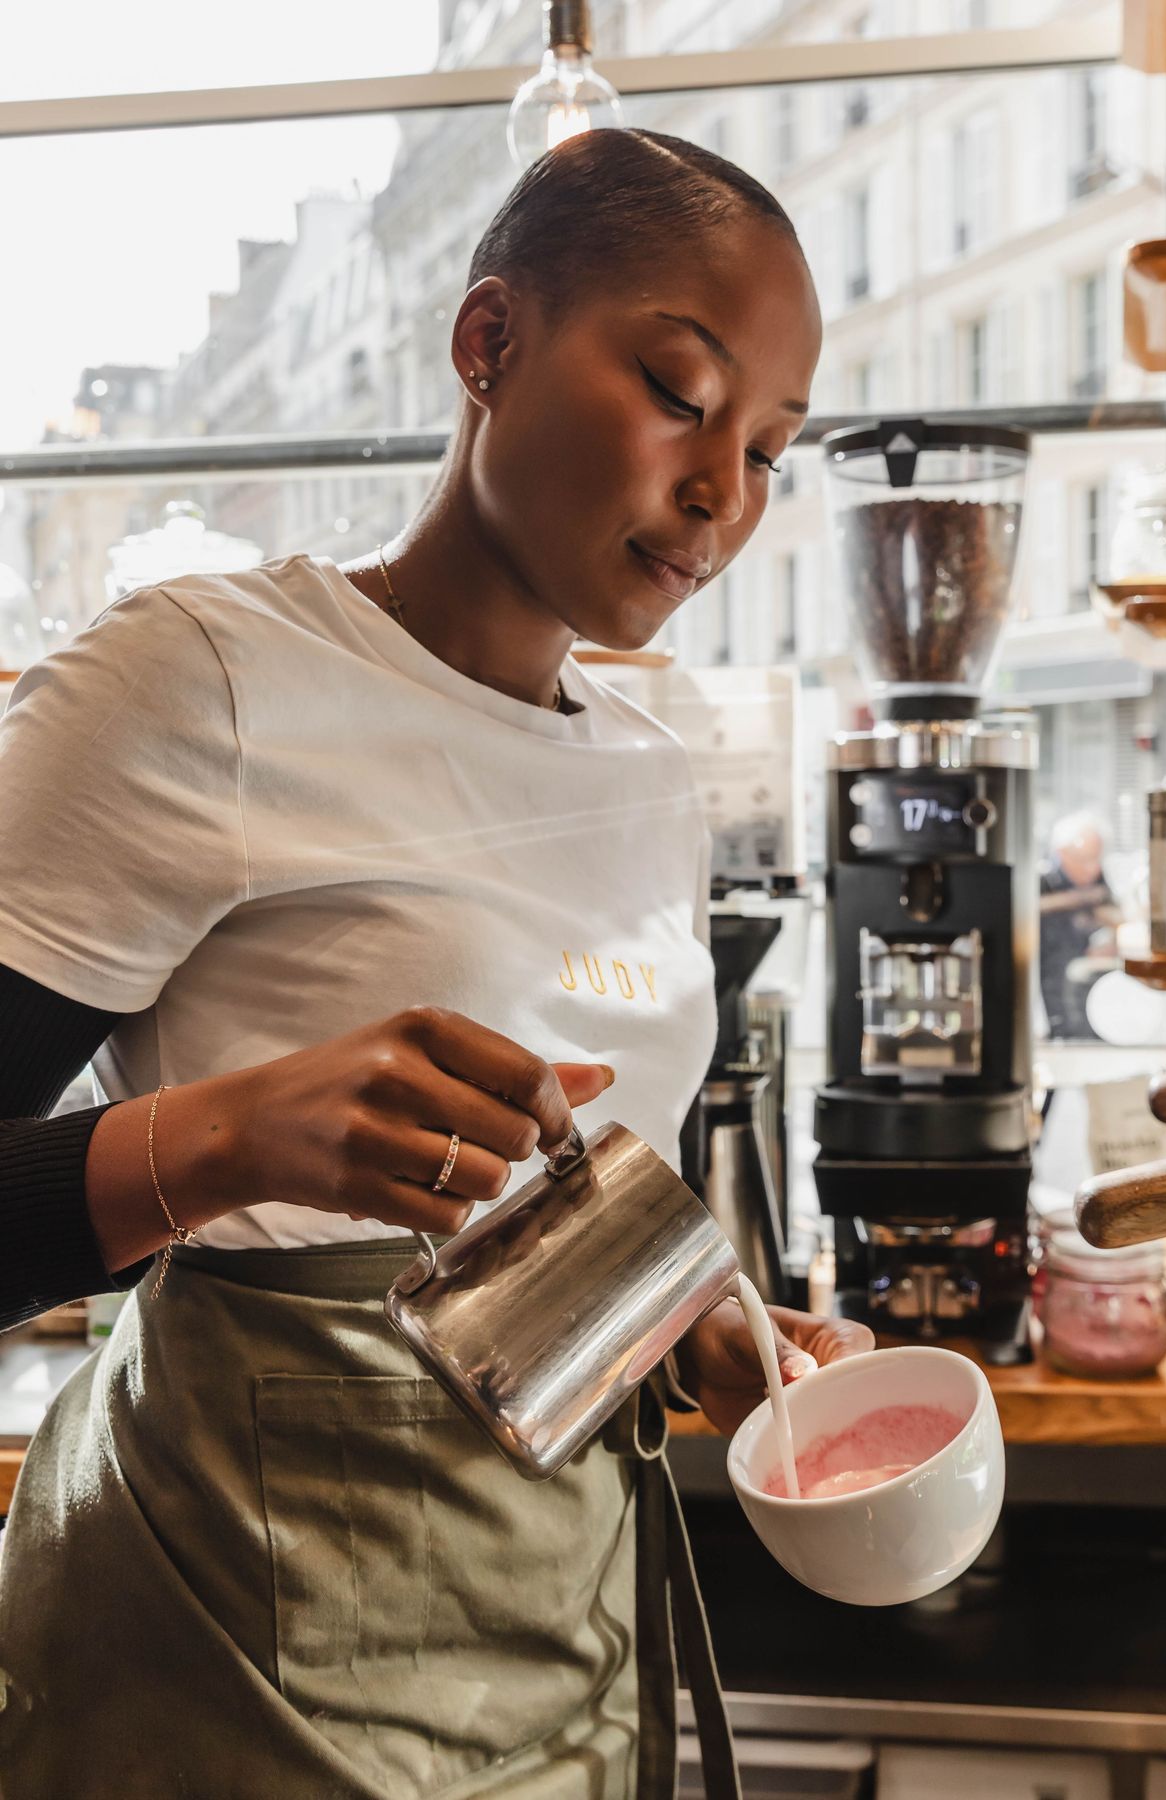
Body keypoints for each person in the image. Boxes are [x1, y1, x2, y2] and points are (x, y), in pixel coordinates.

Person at [0, 129, 870, 1798]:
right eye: (683, 398)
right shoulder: (197, 684)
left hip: (560, 1645)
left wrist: (696, 1323)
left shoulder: (646, 770)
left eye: (769, 449)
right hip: (231, 1670)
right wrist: (233, 1137)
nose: (724, 494)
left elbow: (563, 1198)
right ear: (490, 343)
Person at [1037, 810, 1121, 1042]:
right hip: (1049, 977)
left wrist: (1112, 938)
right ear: (1062, 854)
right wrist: (1079, 899)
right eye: (1084, 860)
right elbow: (1024, 909)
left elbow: (1117, 917)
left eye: (1097, 859)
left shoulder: (1098, 880)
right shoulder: (1043, 879)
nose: (1093, 868)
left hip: (1088, 980)